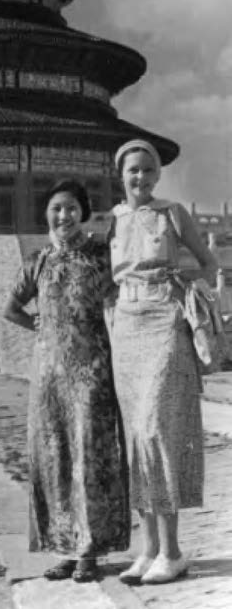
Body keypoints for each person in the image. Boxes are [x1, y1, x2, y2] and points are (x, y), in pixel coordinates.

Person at [4, 179, 130, 583]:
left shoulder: (99, 256)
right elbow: (10, 308)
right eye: (57, 208)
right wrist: (34, 322)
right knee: (55, 458)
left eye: (72, 208)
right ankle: (63, 548)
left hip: (91, 369)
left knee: (90, 457)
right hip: (49, 376)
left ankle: (89, 549)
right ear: (46, 214)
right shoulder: (38, 261)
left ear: (84, 212)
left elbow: (121, 295)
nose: (64, 216)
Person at [109, 139, 218, 585]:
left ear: (157, 175)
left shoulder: (172, 213)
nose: (140, 178)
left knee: (159, 430)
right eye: (132, 170)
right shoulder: (112, 221)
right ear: (121, 175)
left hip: (164, 326)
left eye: (147, 171)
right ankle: (148, 548)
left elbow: (209, 263)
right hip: (126, 331)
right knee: (136, 437)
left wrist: (182, 286)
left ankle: (173, 551)